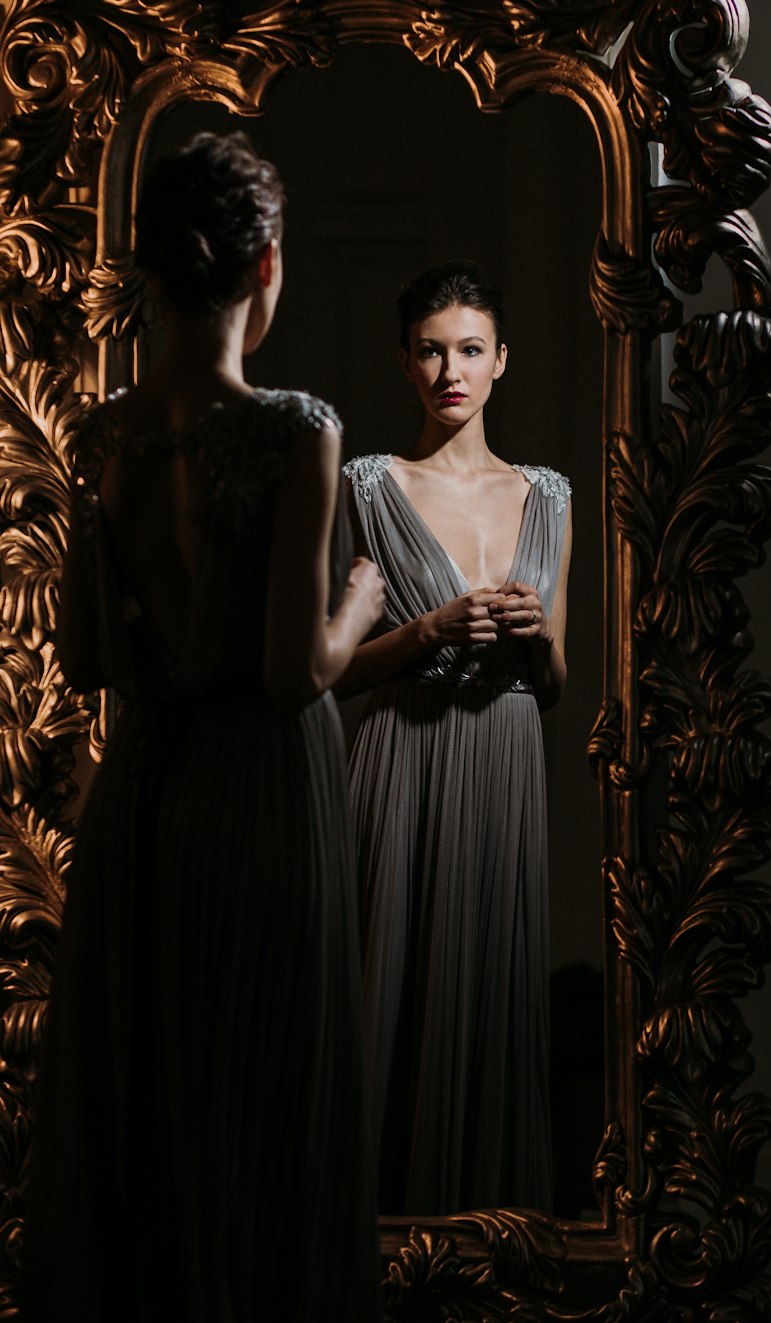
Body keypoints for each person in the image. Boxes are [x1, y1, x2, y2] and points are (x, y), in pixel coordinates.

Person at [20, 131, 385, 1322]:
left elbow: (80, 651)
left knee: (156, 1108)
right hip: (265, 793)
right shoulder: (297, 429)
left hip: (148, 794)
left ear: (158, 273)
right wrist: (362, 602)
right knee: (265, 1101)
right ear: (266, 268)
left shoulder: (106, 432)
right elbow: (294, 675)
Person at [338, 260, 572, 1215]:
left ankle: (484, 1251)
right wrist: (428, 630)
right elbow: (334, 670)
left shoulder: (548, 496)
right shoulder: (367, 484)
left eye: (470, 350)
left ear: (501, 360)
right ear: (404, 364)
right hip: (402, 758)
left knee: (491, 1008)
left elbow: (555, 683)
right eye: (431, 352)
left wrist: (529, 639)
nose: (451, 371)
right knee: (386, 1000)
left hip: (507, 763)